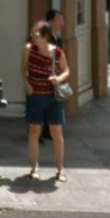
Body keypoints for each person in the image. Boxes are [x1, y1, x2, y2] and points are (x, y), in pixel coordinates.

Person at [22, 20, 70, 182]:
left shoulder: (57, 52)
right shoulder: (29, 49)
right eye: (32, 33)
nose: (32, 36)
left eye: (35, 33)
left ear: (44, 36)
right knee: (34, 131)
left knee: (56, 132)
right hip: (35, 96)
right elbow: (23, 69)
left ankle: (60, 169)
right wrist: (27, 83)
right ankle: (34, 166)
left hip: (52, 98)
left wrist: (58, 79)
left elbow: (66, 70)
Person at [39, 10, 66, 143]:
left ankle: (48, 131)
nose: (62, 23)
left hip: (54, 75)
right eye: (59, 20)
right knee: (40, 104)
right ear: (50, 22)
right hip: (42, 75)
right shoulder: (42, 37)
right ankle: (38, 132)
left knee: (52, 103)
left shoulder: (58, 39)